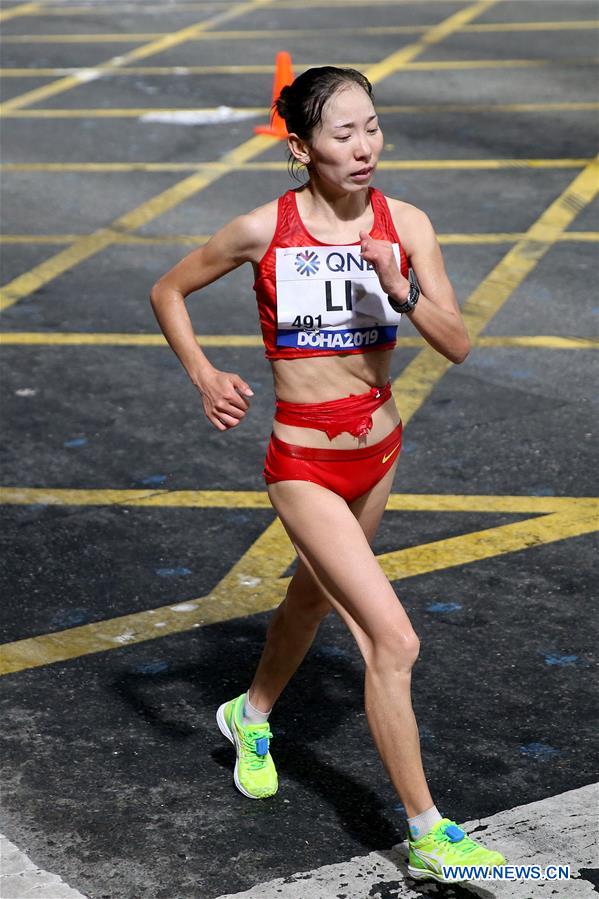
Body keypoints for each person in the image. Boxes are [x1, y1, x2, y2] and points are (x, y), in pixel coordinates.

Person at [150, 66, 506, 883]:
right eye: (343, 133)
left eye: (371, 127)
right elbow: (168, 290)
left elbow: (456, 343)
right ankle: (428, 833)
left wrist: (399, 287)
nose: (363, 146)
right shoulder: (261, 230)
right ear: (301, 146)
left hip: (378, 453)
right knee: (392, 639)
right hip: (302, 463)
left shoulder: (405, 224)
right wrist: (204, 373)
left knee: (310, 600)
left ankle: (251, 713)